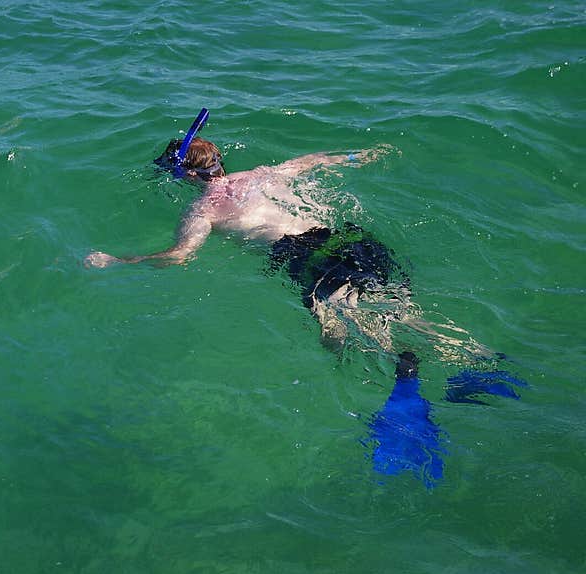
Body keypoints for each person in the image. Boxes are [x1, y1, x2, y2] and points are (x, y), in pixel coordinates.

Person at [85, 109, 526, 486]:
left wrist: (118, 261)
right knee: (401, 310)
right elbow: (320, 160)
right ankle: (477, 359)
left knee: (339, 332)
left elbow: (179, 257)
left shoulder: (204, 208)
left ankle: (406, 378)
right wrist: (365, 154)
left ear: (189, 174)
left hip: (311, 262)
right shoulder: (265, 174)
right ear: (220, 162)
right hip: (351, 240)